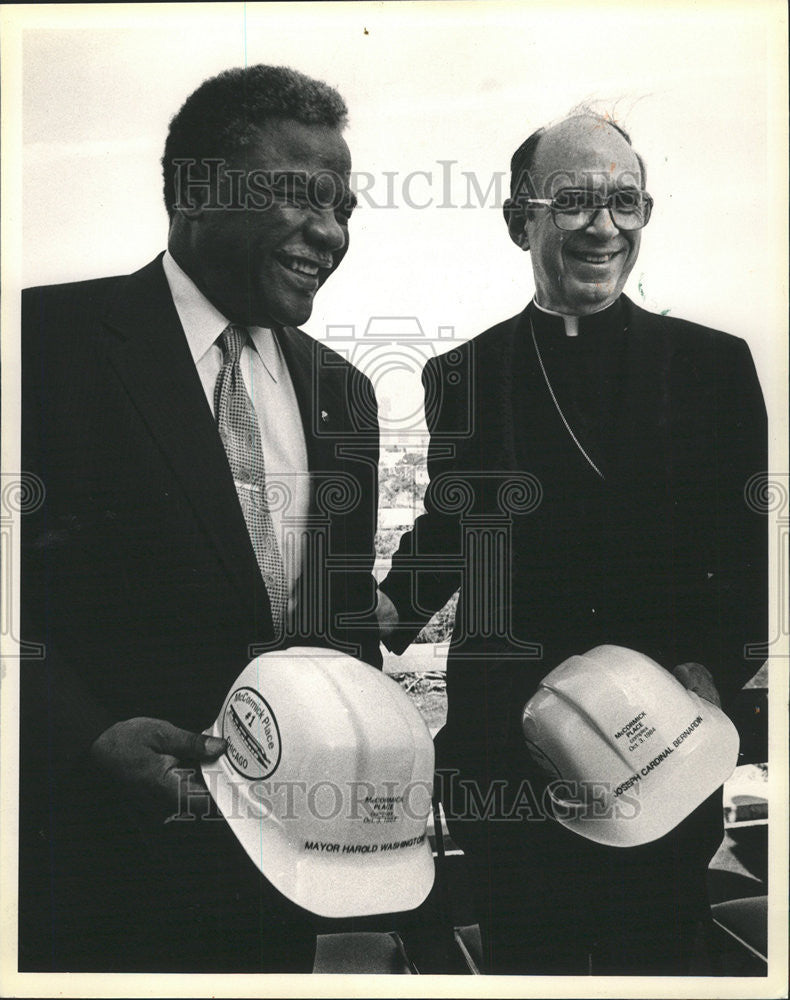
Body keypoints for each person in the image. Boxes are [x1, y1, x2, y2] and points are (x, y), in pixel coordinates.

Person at [377, 111, 767, 974]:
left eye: (625, 203)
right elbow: (455, 524)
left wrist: (708, 674)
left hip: (659, 734)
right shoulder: (465, 374)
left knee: (662, 954)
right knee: (529, 958)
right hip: (507, 748)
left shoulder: (712, 365)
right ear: (521, 219)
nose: (603, 226)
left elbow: (748, 556)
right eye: (575, 200)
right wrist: (382, 606)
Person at [20, 64, 380, 973]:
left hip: (275, 881)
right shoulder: (40, 344)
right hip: (81, 869)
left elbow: (339, 634)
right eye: (299, 197)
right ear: (192, 190)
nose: (329, 234)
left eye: (343, 208)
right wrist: (81, 736)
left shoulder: (347, 395)